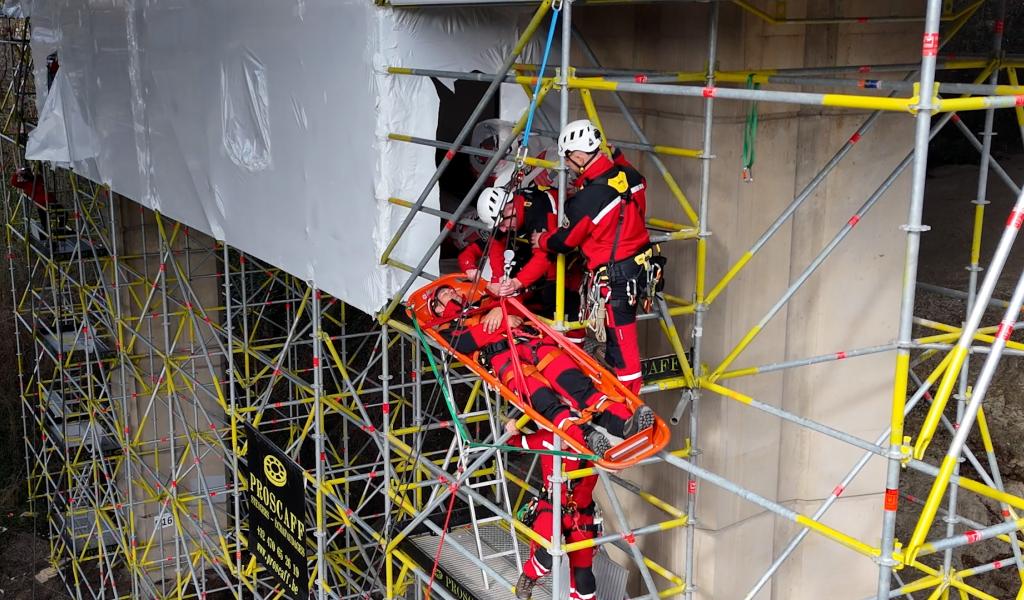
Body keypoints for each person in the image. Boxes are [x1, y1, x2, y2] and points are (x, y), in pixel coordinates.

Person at [425, 285, 654, 451]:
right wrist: (504, 318)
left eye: (453, 291)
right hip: (507, 363)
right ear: (436, 308)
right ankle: (588, 439)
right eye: (445, 294)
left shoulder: (488, 302)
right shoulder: (448, 329)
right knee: (547, 404)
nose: (453, 293)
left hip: (535, 344)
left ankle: (625, 424)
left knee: (580, 387)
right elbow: (465, 343)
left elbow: (519, 303)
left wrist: (503, 311)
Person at [532, 119, 653, 394]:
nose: (570, 170)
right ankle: (615, 379)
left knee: (625, 351)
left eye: (570, 162)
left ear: (578, 156)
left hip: (617, 278)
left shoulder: (587, 200)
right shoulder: (630, 178)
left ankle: (630, 409)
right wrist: (618, 155)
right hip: (640, 267)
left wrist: (541, 239)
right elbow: (638, 180)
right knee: (618, 344)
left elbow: (565, 242)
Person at [508, 423, 599, 600]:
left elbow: (618, 459)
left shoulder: (592, 447)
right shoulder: (547, 439)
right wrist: (511, 429)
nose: (564, 440)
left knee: (584, 577)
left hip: (580, 515)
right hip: (550, 508)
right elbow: (516, 443)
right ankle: (529, 576)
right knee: (550, 554)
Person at [474, 184, 584, 327]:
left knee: (555, 294)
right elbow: (495, 243)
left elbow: (544, 257)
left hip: (569, 248)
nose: (503, 229)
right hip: (544, 249)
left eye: (502, 223)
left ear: (509, 208)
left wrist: (517, 282)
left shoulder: (538, 210)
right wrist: (497, 277)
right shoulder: (508, 212)